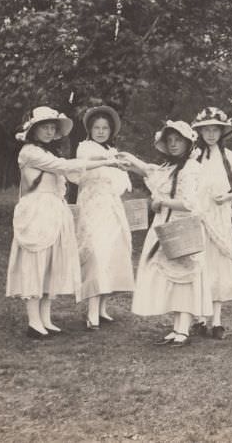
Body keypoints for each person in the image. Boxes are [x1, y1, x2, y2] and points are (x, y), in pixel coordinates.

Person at [6, 106, 119, 339]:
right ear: (33, 130)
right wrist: (106, 161)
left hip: (54, 209)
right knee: (36, 262)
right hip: (36, 210)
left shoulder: (47, 152)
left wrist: (107, 158)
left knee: (51, 263)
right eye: (44, 127)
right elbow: (64, 167)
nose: (49, 132)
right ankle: (34, 321)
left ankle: (45, 318)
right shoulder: (30, 152)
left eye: (52, 128)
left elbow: (67, 169)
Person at [119, 120, 212, 347]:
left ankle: (184, 328)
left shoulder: (191, 168)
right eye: (169, 140)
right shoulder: (169, 167)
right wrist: (130, 161)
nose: (173, 144)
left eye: (178, 140)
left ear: (188, 143)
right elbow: (151, 174)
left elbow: (190, 203)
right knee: (170, 277)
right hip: (165, 226)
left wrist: (162, 202)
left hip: (183, 228)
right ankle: (177, 327)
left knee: (184, 278)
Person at [189, 107, 232, 340]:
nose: (210, 134)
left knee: (218, 269)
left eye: (215, 130)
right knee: (199, 266)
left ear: (221, 132)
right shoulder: (193, 156)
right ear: (199, 132)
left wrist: (227, 197)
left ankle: (216, 321)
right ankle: (198, 318)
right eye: (206, 130)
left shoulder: (230, 158)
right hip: (198, 218)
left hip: (220, 218)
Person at [75, 105, 135, 330]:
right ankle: (91, 312)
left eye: (105, 128)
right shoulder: (85, 148)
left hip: (111, 207)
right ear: (90, 130)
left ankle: (102, 308)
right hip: (93, 205)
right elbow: (86, 163)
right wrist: (109, 159)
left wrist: (118, 163)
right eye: (97, 128)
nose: (101, 132)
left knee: (112, 253)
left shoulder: (113, 151)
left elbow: (121, 182)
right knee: (96, 254)